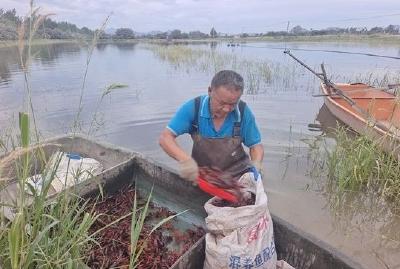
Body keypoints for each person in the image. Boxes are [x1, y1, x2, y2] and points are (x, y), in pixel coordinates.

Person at [159, 70, 264, 186]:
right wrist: (186, 161)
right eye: (222, 103)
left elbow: (255, 146)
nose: (227, 109)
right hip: (205, 177)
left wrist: (256, 165)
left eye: (233, 104)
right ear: (210, 91)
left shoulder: (243, 112)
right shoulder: (194, 108)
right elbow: (165, 137)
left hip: (238, 178)